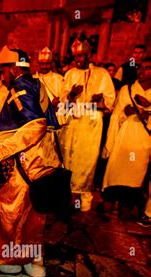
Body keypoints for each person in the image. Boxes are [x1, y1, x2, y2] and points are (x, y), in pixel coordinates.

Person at [0, 49, 62, 277]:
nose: (1, 75)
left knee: (9, 209)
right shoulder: (35, 83)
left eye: (2, 70)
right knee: (33, 214)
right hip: (41, 160)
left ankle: (7, 263)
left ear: (12, 68)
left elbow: (36, 125)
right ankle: (35, 265)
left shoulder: (20, 87)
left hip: (26, 162)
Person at [58, 38, 115, 212]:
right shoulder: (69, 74)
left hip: (91, 121)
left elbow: (111, 99)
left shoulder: (101, 74)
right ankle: (67, 197)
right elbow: (62, 101)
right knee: (69, 159)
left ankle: (82, 198)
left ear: (89, 55)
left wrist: (100, 99)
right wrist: (71, 95)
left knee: (86, 160)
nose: (79, 59)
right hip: (72, 122)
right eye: (76, 56)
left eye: (82, 55)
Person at [100, 57, 151, 223]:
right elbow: (116, 115)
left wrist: (148, 109)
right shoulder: (126, 89)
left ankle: (128, 203)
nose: (141, 71)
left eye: (147, 68)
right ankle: (112, 198)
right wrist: (126, 112)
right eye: (140, 68)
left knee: (136, 172)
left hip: (144, 140)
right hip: (125, 136)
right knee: (118, 168)